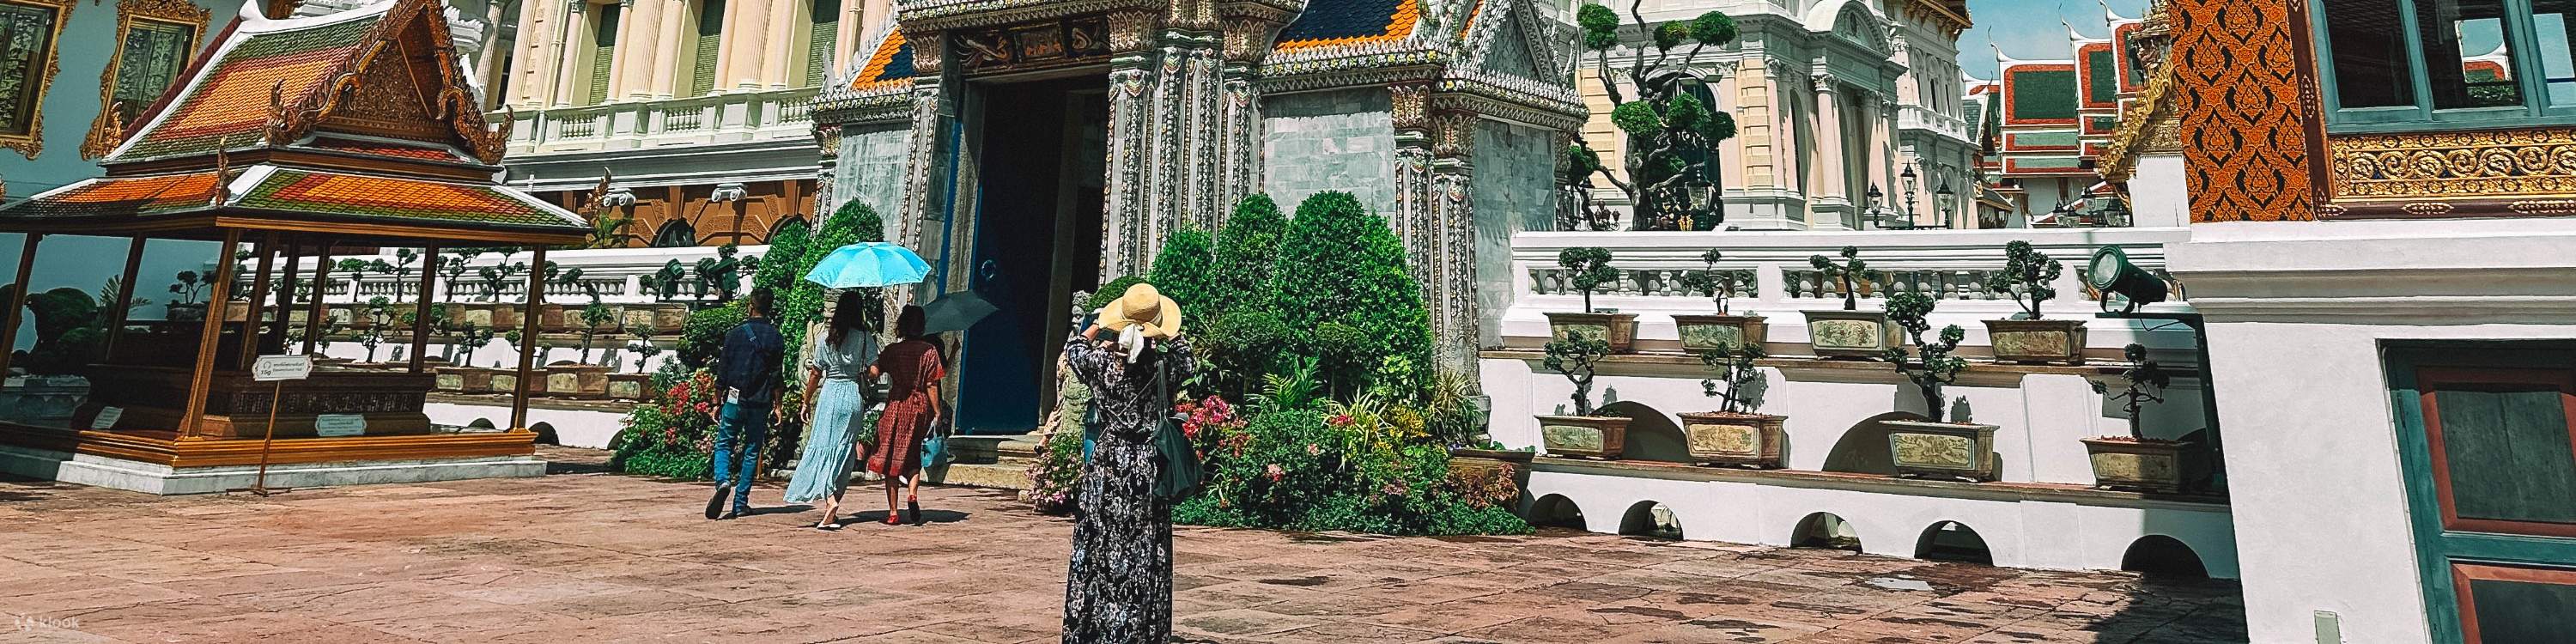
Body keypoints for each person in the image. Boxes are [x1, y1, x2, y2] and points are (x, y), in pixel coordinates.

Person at [1060, 283, 1191, 642]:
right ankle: (1141, 628)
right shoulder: (1164, 367)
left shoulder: (1101, 364)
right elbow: (1186, 352)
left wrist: (1099, 325)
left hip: (1109, 461)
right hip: (1147, 462)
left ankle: (1097, 627)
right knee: (1145, 545)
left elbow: (1073, 349)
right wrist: (1163, 333)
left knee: (1101, 540)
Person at [785, 290, 881, 530]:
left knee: (823, 445)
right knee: (845, 451)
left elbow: (816, 372)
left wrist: (806, 401)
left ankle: (829, 502)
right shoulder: (864, 337)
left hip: (830, 395)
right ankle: (834, 500)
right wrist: (862, 372)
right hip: (852, 396)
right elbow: (875, 371)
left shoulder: (826, 337)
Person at [707, 287, 786, 520]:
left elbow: (723, 371)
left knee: (724, 444)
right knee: (752, 451)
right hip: (760, 401)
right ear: (769, 308)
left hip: (734, 397)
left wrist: (716, 402)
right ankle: (740, 503)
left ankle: (722, 480)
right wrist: (778, 405)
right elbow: (776, 377)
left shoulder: (735, 334)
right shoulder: (776, 337)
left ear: (750, 306)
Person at [863, 305, 944, 526]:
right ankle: (913, 494)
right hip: (919, 407)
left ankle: (892, 511)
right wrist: (937, 411)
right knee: (913, 454)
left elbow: (875, 370)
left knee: (891, 457)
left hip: (896, 404)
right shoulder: (929, 351)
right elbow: (931, 384)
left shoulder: (892, 351)